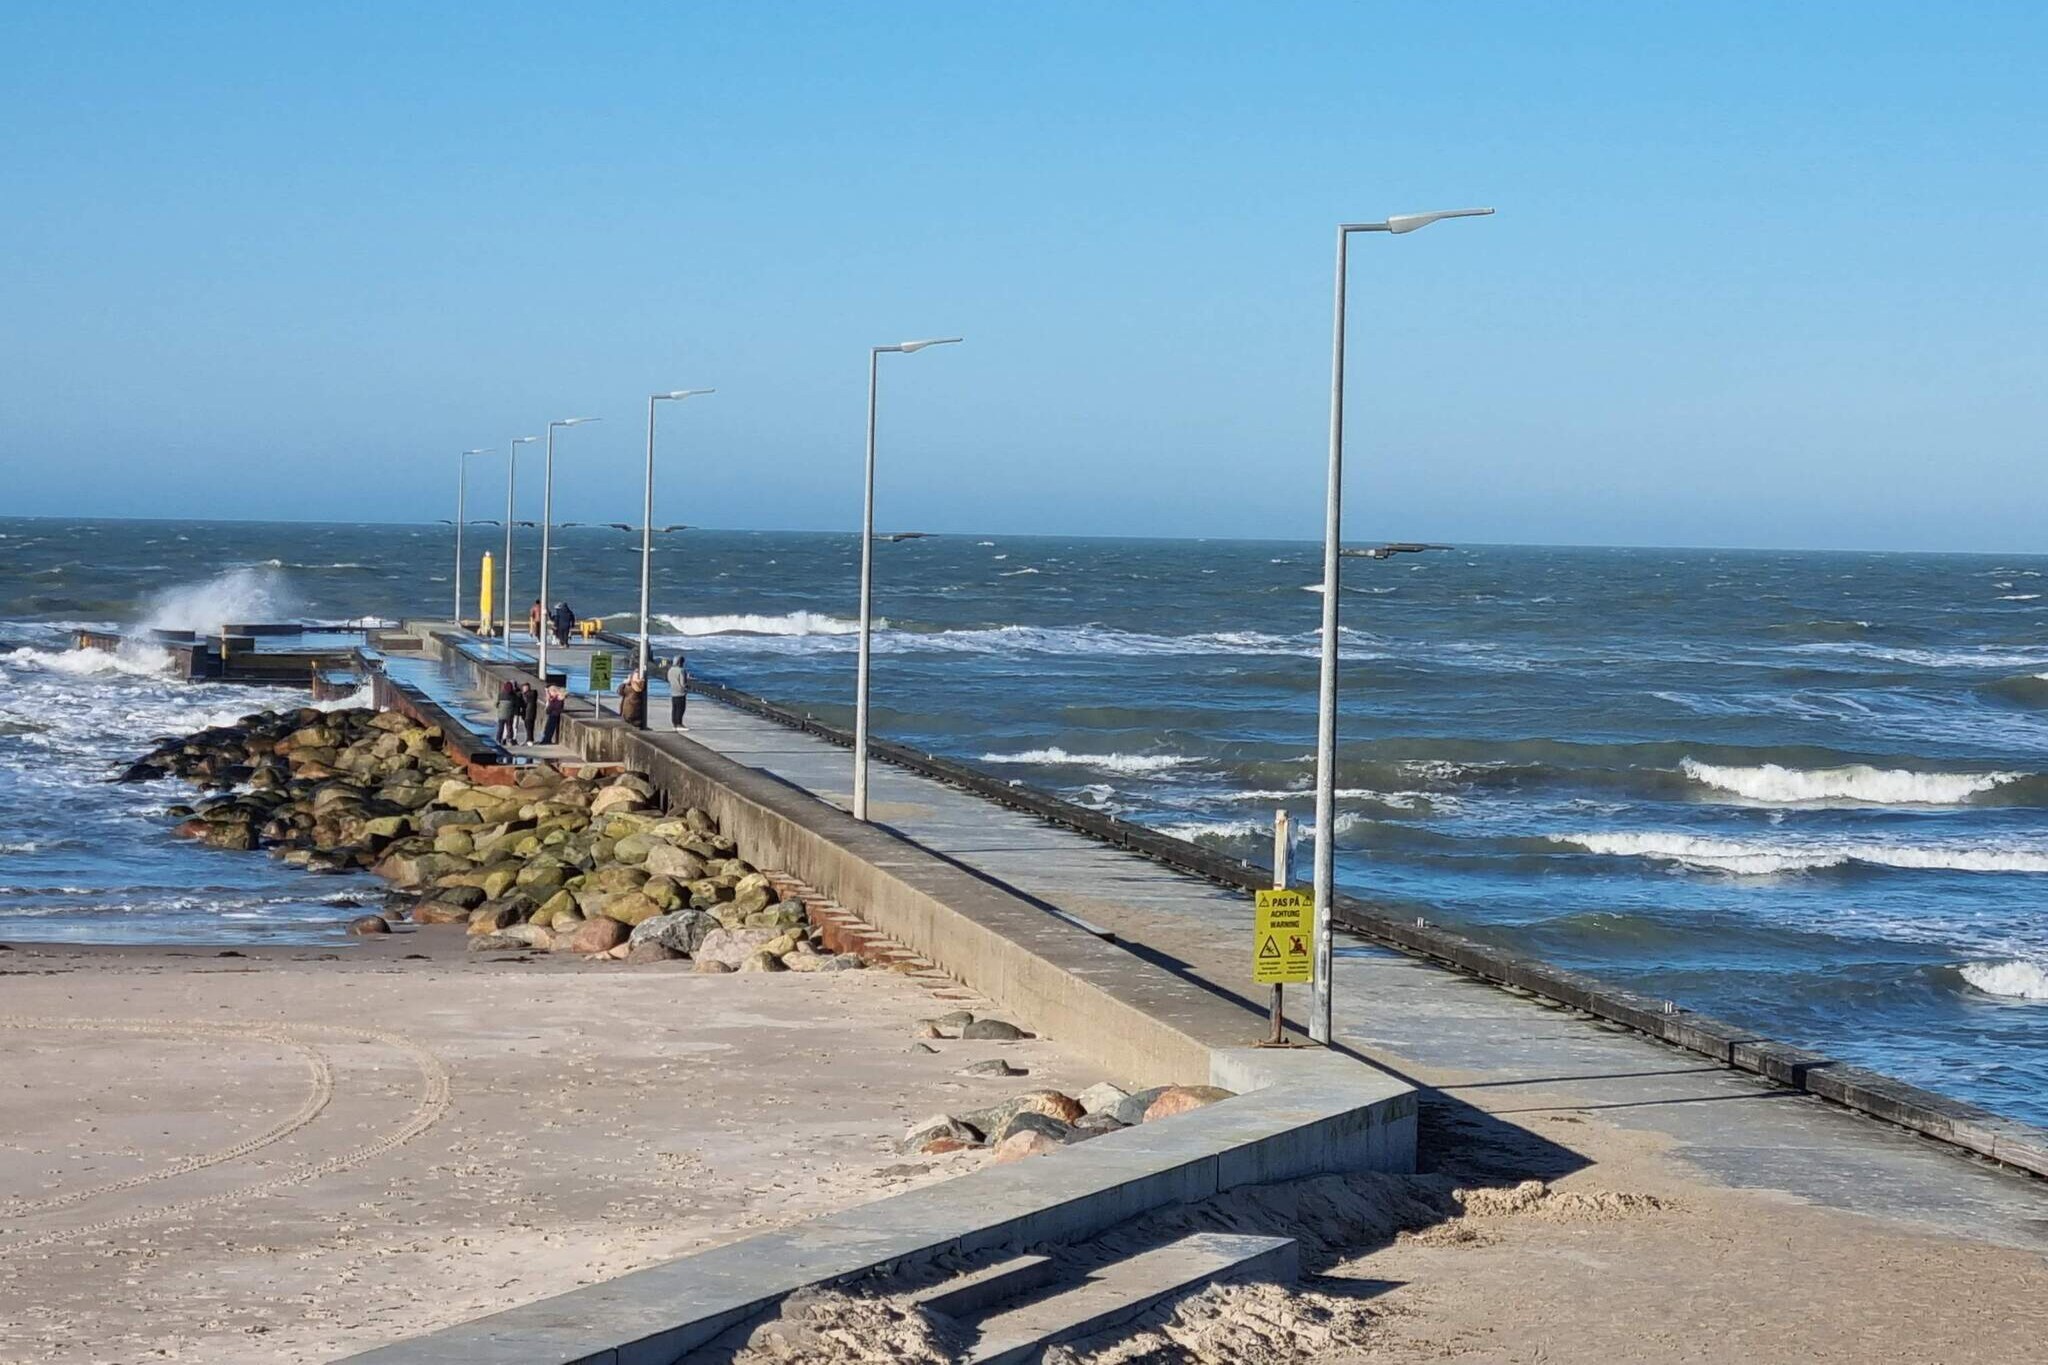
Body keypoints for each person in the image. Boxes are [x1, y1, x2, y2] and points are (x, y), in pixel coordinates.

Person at [665, 653, 689, 731]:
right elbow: (682, 683)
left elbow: (668, 679)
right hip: (680, 692)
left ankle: (675, 723)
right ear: (680, 662)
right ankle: (679, 724)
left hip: (673, 691)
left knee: (674, 708)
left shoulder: (670, 670)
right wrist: (686, 686)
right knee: (681, 708)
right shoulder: (681, 670)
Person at [493, 680, 517, 746]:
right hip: (509, 715)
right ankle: (509, 740)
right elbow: (515, 704)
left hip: (501, 715)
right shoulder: (513, 695)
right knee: (509, 727)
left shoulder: (500, 694)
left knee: (500, 727)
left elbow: (496, 704)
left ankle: (498, 739)